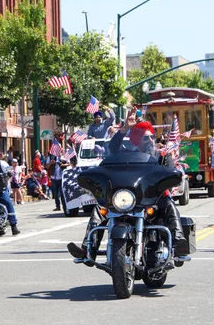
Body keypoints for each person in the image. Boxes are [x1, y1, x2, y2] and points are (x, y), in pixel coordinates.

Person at [67, 108, 189, 260]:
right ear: (137, 141)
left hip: (155, 201)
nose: (151, 141)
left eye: (152, 137)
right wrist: (125, 128)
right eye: (146, 138)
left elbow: (172, 171)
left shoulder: (162, 156)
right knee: (100, 209)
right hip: (128, 200)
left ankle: (178, 244)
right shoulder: (126, 155)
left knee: (169, 204)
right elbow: (112, 148)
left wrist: (171, 176)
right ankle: (88, 250)